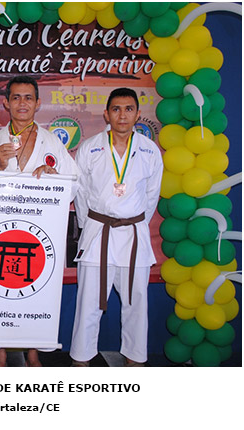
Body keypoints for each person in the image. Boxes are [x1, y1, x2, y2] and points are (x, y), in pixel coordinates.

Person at [0, 76, 79, 366]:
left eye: (28, 97)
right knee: (0, 288)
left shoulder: (52, 141)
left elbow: (74, 183)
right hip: (0, 228)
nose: (22, 103)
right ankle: (0, 352)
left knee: (35, 289)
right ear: (6, 103)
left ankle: (33, 351)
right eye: (16, 97)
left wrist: (54, 178)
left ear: (38, 103)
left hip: (38, 230)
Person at [70, 88, 163, 367]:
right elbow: (81, 194)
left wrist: (133, 221)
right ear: (106, 114)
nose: (122, 115)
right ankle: (81, 359)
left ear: (137, 114)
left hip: (134, 234)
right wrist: (90, 225)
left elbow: (152, 195)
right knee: (89, 301)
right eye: (116, 109)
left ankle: (135, 358)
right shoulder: (90, 147)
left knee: (136, 301)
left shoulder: (149, 150)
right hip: (98, 231)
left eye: (128, 109)